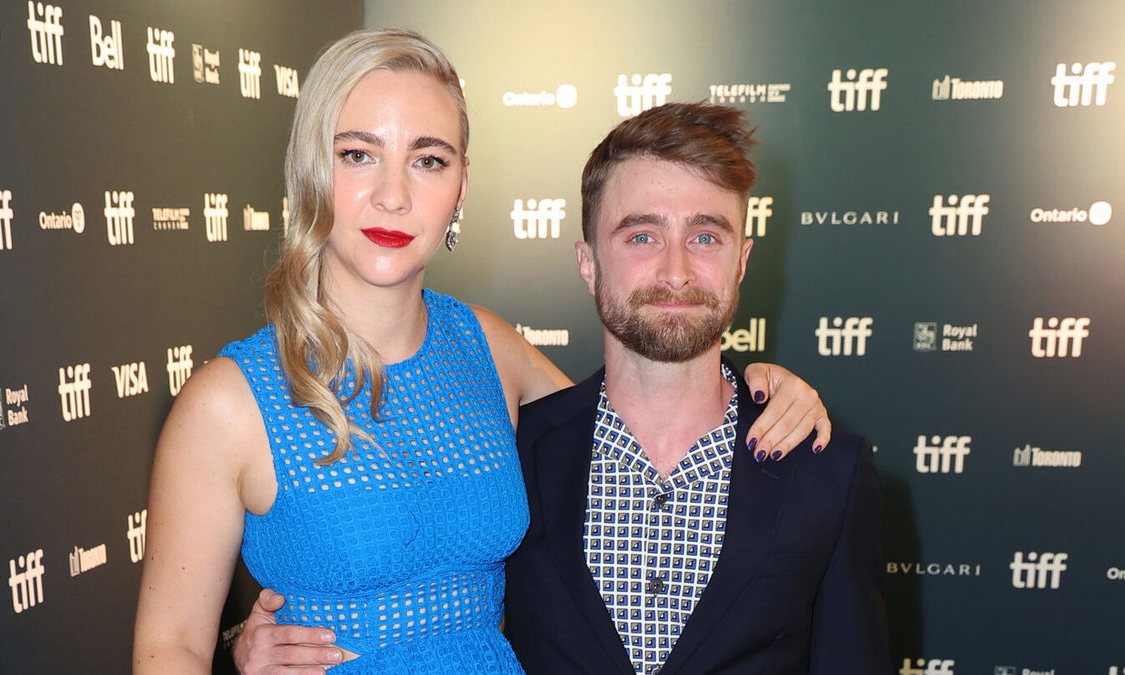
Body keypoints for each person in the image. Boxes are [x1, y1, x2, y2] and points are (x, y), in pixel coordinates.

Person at [132, 29, 831, 674]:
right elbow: (170, 647)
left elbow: (642, 417)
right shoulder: (229, 401)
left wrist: (761, 391)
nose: (394, 195)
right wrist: (237, 648)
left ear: (461, 187)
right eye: (357, 154)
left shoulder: (488, 347)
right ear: (310, 168)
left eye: (427, 161)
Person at [502, 103, 891, 673]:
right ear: (588, 264)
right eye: (641, 236)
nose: (676, 271)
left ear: (742, 261)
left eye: (706, 237)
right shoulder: (513, 452)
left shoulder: (828, 470)